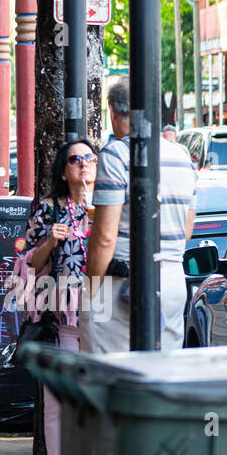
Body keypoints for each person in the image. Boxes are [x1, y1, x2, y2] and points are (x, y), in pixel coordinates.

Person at [84, 79, 197, 354]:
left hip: (121, 283)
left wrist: (89, 290)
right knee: (160, 377)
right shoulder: (183, 158)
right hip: (171, 280)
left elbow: (104, 238)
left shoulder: (117, 155)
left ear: (112, 112)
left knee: (108, 380)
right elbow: (186, 231)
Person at [22, 138, 97, 455]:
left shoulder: (110, 206)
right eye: (74, 159)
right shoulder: (50, 208)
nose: (83, 164)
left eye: (89, 158)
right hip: (63, 314)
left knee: (95, 398)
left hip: (104, 314)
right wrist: (51, 240)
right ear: (63, 171)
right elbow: (31, 263)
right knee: (57, 402)